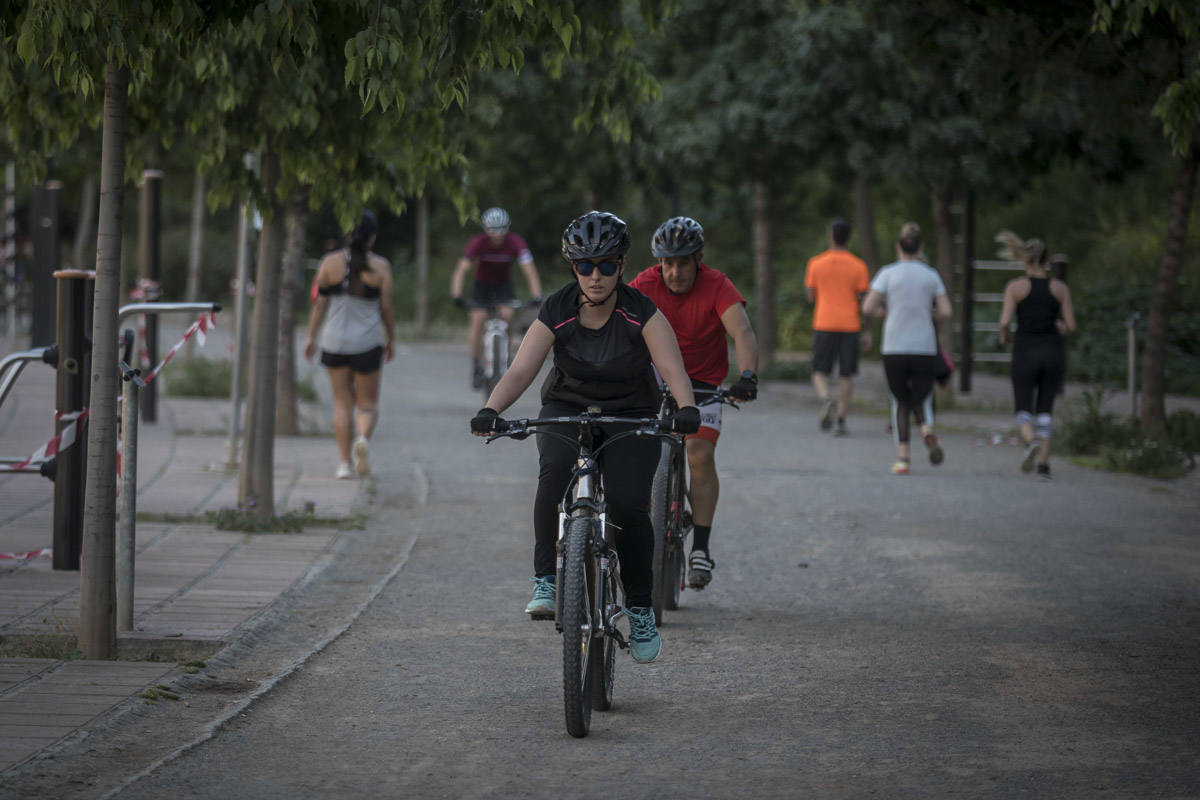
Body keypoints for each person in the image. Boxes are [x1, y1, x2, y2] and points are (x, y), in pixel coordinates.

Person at [470, 211, 699, 664]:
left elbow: (672, 368)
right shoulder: (556, 309)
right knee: (553, 474)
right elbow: (521, 369)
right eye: (585, 266)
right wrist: (491, 410)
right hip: (566, 407)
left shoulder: (641, 312)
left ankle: (639, 608)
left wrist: (687, 409)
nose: (596, 276)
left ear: (621, 266)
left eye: (607, 265)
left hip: (630, 413)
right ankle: (546, 581)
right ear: (573, 268)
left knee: (629, 505)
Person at [629, 215, 759, 592]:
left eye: (683, 263)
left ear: (698, 259)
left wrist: (748, 376)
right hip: (654, 376)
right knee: (632, 448)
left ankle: (700, 547)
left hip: (702, 381)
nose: (675, 272)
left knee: (699, 453)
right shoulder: (644, 285)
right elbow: (619, 325)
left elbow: (742, 331)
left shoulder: (717, 285)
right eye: (667, 264)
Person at [304, 212, 394, 479]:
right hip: (367, 343)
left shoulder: (329, 263)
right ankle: (362, 440)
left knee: (342, 404)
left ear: (347, 234)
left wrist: (311, 337)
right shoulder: (381, 267)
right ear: (372, 237)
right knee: (367, 405)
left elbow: (319, 305)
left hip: (334, 343)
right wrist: (391, 338)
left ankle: (344, 464)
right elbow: (386, 308)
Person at [861, 222, 952, 474]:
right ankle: (927, 430)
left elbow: (867, 307)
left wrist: (885, 310)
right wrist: (928, 312)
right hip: (924, 346)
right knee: (921, 396)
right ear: (920, 247)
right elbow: (946, 311)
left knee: (900, 400)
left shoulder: (887, 274)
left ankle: (903, 459)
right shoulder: (931, 275)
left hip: (894, 346)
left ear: (897, 247)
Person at [996, 231, 1077, 479]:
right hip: (1053, 353)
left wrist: (1004, 337)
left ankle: (1031, 442)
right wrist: (1060, 328)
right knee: (1045, 410)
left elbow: (1004, 322)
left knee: (1023, 407)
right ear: (1046, 260)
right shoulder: (1060, 288)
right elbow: (1071, 326)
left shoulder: (1015, 287)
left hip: (1025, 352)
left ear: (1025, 260)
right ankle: (1043, 465)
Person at [450, 207, 543, 388]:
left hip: (503, 286)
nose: (498, 234)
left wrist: (536, 295)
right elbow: (462, 269)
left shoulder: (515, 242)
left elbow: (529, 270)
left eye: (502, 229)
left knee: (507, 316)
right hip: (481, 286)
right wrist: (456, 294)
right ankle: (476, 365)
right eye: (493, 230)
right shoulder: (478, 242)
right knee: (478, 320)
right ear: (485, 229)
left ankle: (506, 358)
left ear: (508, 227)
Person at [804, 217, 871, 436]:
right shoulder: (859, 265)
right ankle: (841, 420)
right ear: (848, 238)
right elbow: (864, 301)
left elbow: (810, 296)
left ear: (831, 236)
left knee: (819, 371)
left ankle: (826, 399)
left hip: (824, 322)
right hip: (850, 325)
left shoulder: (816, 263)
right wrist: (867, 331)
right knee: (846, 374)